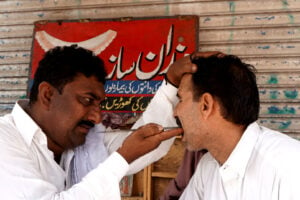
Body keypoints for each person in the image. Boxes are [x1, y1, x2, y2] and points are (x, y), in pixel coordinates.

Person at [0, 45, 190, 200]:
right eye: (87, 100)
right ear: (48, 95)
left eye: (99, 104)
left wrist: (171, 83)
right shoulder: (5, 139)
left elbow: (149, 141)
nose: (96, 117)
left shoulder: (84, 142)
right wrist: (121, 159)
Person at [174, 54, 300, 199]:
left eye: (181, 99)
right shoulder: (207, 167)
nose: (175, 112)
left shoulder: (291, 165)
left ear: (206, 105)